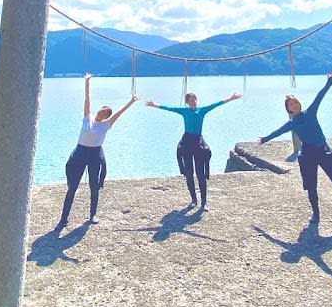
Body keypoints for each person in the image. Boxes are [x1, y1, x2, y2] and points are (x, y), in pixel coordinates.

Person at [258, 71, 332, 227]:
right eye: (291, 104)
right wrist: (264, 140)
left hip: (324, 151)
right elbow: (278, 132)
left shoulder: (310, 112)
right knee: (311, 186)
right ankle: (316, 214)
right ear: (288, 109)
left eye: (296, 102)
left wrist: (329, 82)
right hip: (308, 154)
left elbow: (320, 96)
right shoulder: (292, 123)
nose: (295, 105)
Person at [56, 74, 138, 231]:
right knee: (72, 187)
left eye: (106, 112)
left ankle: (92, 215)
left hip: (94, 156)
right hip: (80, 154)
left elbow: (120, 112)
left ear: (107, 116)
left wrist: (131, 102)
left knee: (94, 186)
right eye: (102, 109)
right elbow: (87, 100)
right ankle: (63, 219)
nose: (102, 111)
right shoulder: (88, 117)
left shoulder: (107, 125)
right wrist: (87, 82)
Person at [146, 90, 241, 211]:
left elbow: (217, 104)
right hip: (187, 143)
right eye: (190, 100)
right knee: (189, 173)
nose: (193, 102)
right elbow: (169, 108)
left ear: (196, 100)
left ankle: (203, 203)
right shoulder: (184, 111)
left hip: (198, 143)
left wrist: (231, 98)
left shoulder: (202, 110)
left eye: (194, 99)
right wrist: (154, 105)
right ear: (187, 102)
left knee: (200, 174)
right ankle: (193, 200)